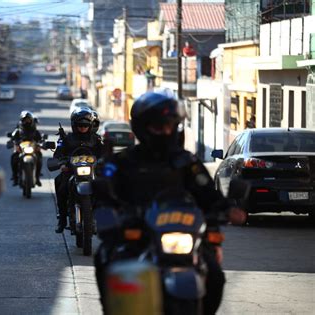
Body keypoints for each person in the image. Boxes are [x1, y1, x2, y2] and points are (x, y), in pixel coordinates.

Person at [93, 90, 246, 314]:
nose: (165, 131)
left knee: (214, 274)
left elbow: (207, 193)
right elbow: (104, 190)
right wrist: (110, 212)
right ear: (142, 127)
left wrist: (227, 208)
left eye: (169, 125)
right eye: (158, 126)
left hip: (181, 233)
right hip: (139, 235)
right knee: (106, 258)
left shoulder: (187, 162)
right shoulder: (122, 162)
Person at [54, 107, 104, 233]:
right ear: (74, 125)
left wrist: (105, 161)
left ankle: (102, 218)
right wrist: (61, 163)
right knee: (60, 185)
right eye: (79, 125)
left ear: (90, 125)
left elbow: (104, 154)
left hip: (92, 170)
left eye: (85, 125)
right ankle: (62, 220)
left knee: (105, 187)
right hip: (71, 170)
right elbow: (58, 154)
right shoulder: (67, 139)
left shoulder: (96, 139)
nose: (82, 127)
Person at [9, 111, 44, 186]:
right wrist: (15, 144)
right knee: (14, 157)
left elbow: (40, 139)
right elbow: (13, 138)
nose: (26, 121)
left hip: (32, 149)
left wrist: (41, 144)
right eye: (25, 120)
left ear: (31, 120)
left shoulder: (35, 130)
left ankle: (37, 178)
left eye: (28, 119)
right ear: (21, 120)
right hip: (21, 149)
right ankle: (15, 177)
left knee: (39, 158)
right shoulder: (18, 130)